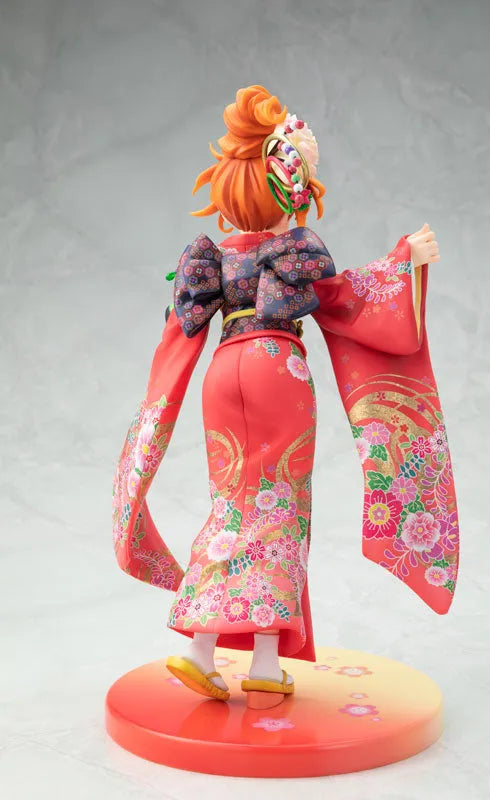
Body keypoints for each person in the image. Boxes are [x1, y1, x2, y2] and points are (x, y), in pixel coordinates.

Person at [112, 85, 459, 709]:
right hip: (277, 367)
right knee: (280, 507)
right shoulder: (293, 253)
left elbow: (180, 328)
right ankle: (266, 666)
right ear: (293, 190)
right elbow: (348, 299)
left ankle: (200, 649)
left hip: (223, 368)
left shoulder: (215, 259)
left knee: (232, 506)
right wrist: (404, 259)